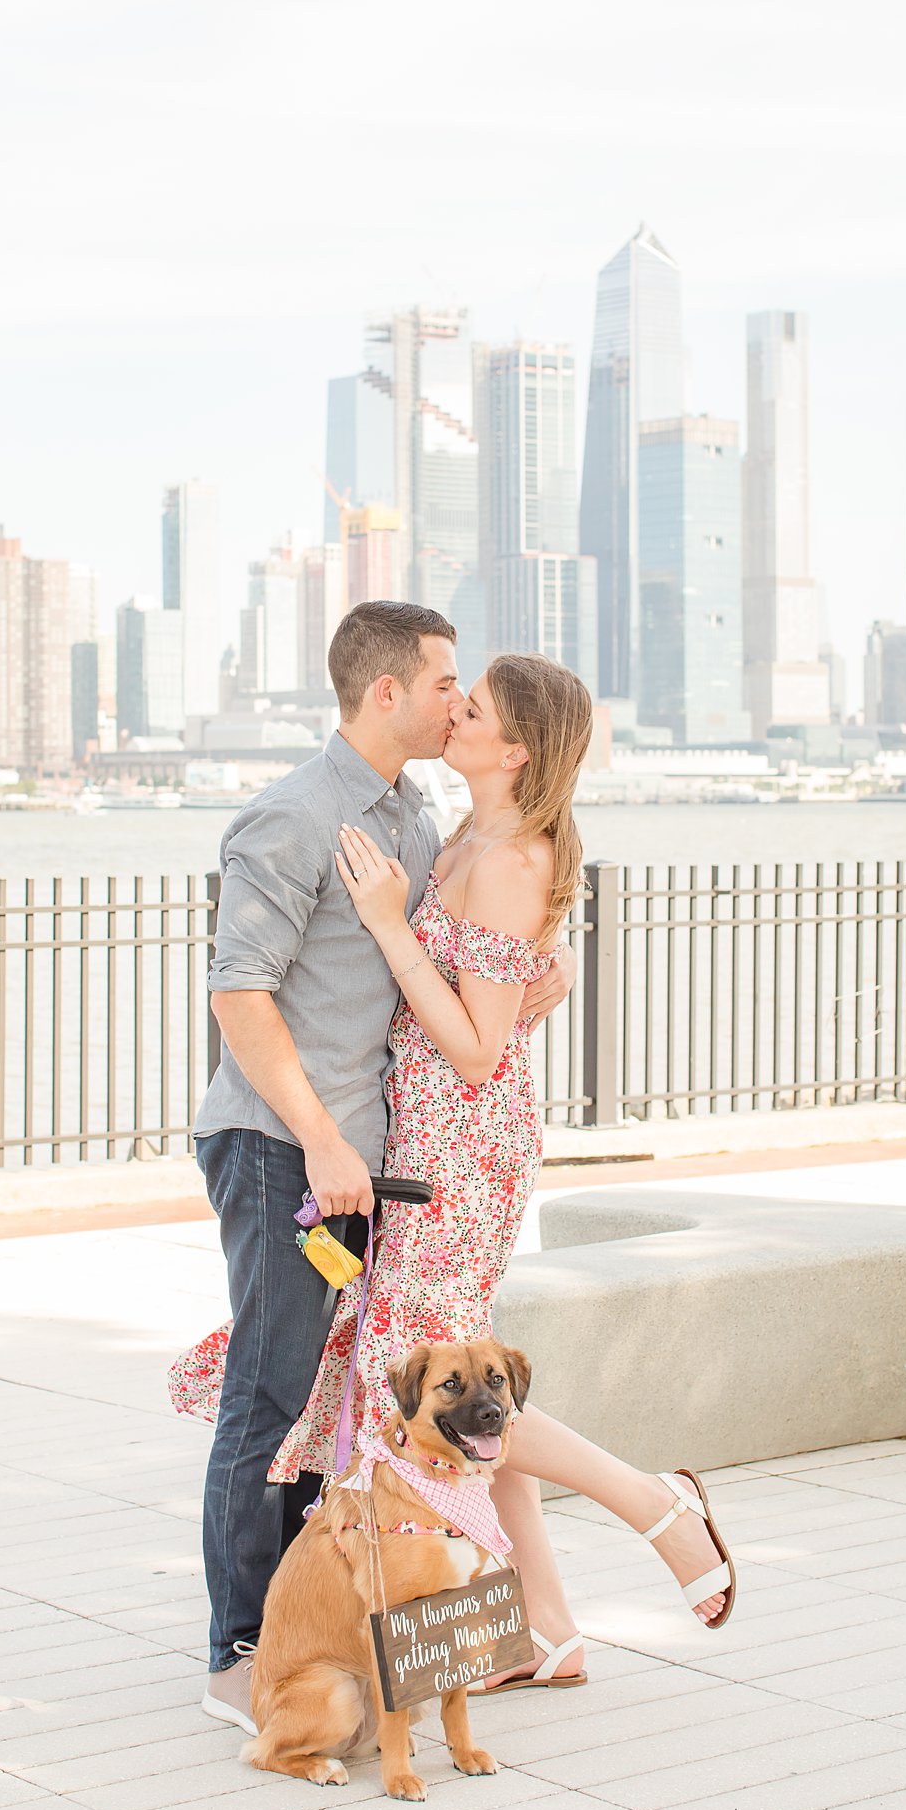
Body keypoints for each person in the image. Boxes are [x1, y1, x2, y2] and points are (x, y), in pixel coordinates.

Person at [272, 650, 736, 1689]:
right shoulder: (462, 835)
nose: (451, 712)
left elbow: (477, 1050)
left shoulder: (511, 854)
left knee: (444, 1384)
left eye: (469, 707)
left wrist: (391, 928)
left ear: (513, 749)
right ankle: (546, 1631)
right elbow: (504, 989)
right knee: (457, 1382)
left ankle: (654, 1503)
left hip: (460, 1147)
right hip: (431, 1138)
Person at [169, 602, 573, 1736]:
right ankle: (239, 1650)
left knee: (324, 1401)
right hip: (282, 1152)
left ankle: (320, 1628)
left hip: (373, 1170)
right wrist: (321, 1138)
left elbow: (464, 957)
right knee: (270, 1391)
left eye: (467, 691)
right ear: (387, 691)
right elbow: (238, 997)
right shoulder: (291, 818)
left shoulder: (412, 814)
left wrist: (545, 973)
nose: (457, 700)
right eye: (446, 680)